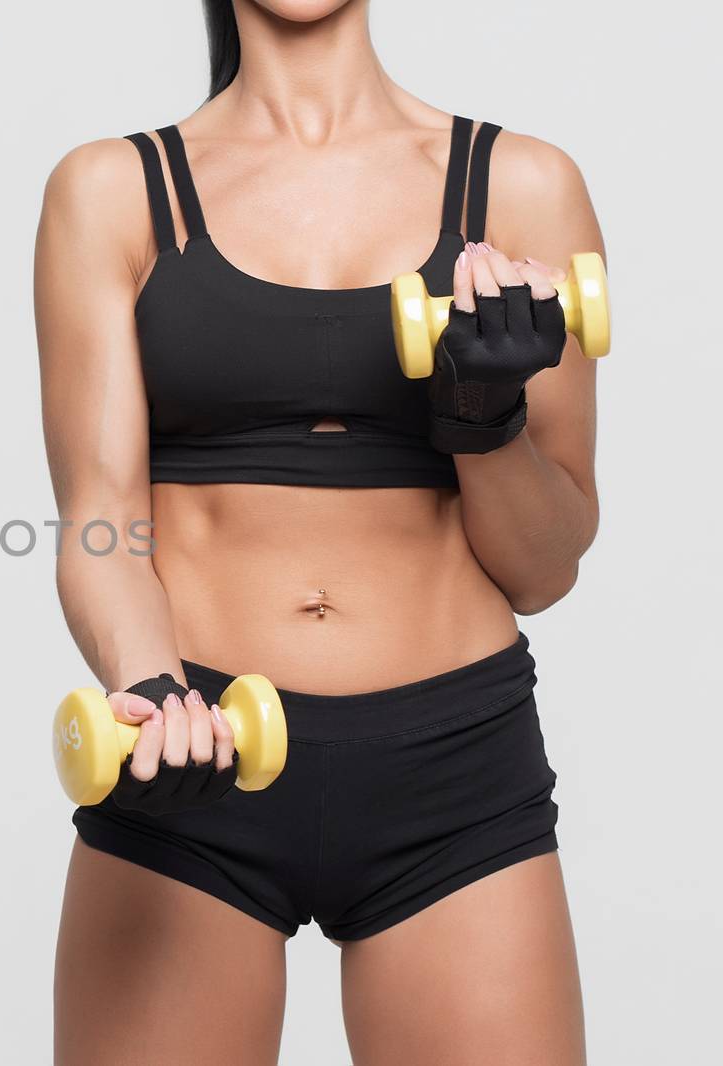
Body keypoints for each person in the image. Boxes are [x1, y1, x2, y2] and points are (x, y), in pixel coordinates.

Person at [33, 2, 601, 1062]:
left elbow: (545, 564)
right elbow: (103, 516)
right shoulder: (111, 193)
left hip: (453, 774)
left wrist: (484, 421)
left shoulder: (522, 187)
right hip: (194, 762)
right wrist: (150, 689)